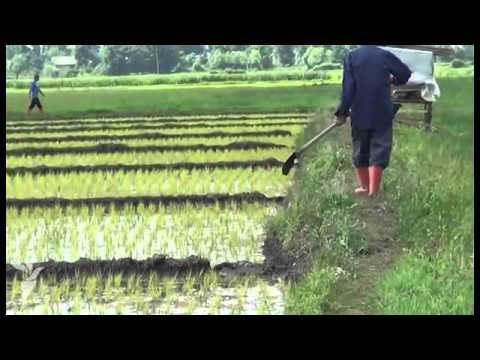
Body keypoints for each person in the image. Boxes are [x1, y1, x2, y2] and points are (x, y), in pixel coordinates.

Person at [335, 45, 412, 197]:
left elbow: (348, 88)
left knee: (360, 149)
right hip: (382, 111)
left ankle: (364, 186)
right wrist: (393, 80)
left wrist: (342, 112)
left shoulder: (352, 57)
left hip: (360, 111)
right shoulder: (384, 55)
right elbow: (405, 74)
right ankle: (373, 190)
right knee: (380, 147)